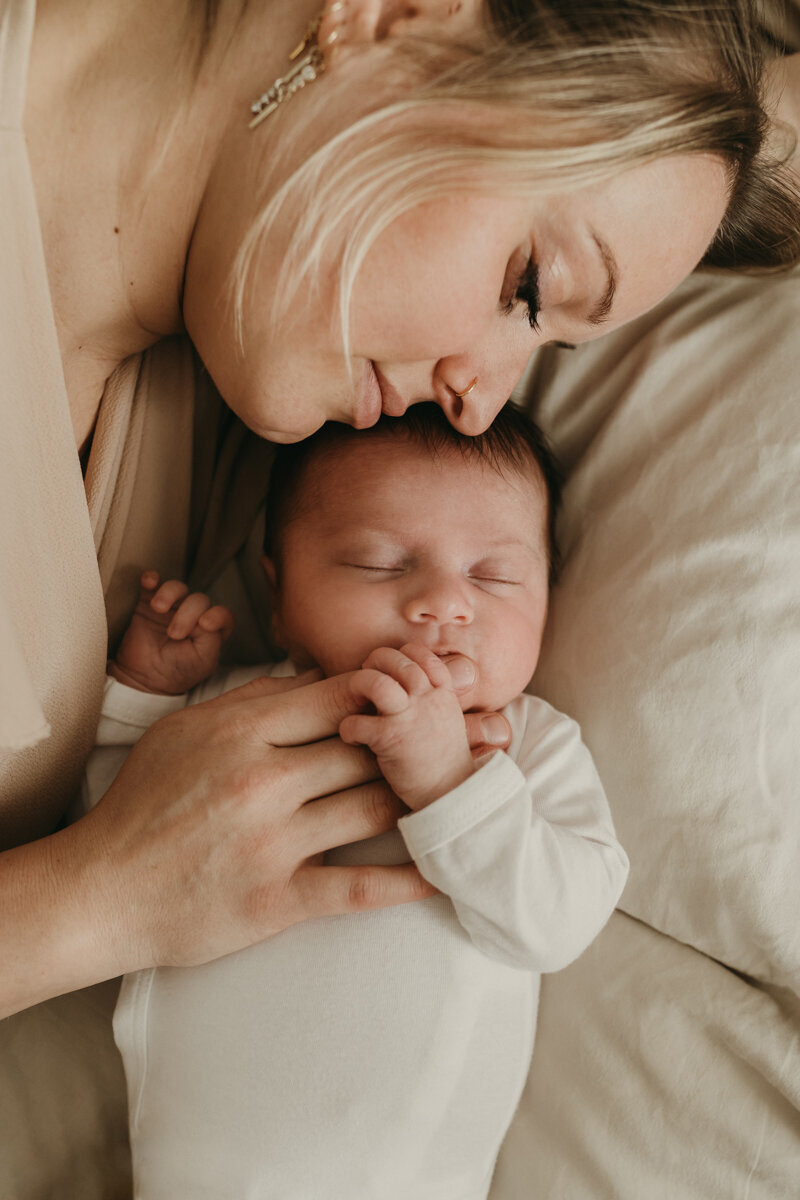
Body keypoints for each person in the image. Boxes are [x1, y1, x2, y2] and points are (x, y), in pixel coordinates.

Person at [2, 0, 799, 1123]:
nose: (482, 407)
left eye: (545, 345)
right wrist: (95, 901)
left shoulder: (227, 374)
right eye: (528, 288)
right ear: (394, 16)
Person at [85, 402, 629, 1198]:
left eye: (494, 576)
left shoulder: (522, 746)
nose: (444, 604)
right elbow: (110, 843)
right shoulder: (235, 713)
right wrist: (139, 699)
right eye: (379, 563)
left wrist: (450, 785)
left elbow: (559, 921)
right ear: (279, 595)